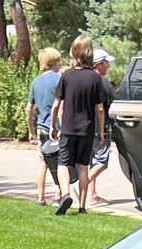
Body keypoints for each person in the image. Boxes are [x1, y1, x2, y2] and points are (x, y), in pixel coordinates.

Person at [49, 34, 112, 215]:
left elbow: (56, 105)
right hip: (87, 129)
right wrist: (100, 131)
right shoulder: (95, 78)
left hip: (68, 128)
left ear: (74, 52)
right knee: (83, 166)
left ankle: (65, 194)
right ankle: (83, 206)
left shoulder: (66, 75)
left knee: (63, 163)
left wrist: (54, 126)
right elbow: (100, 108)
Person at [26, 48, 64, 206]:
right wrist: (61, 126)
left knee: (44, 163)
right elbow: (62, 105)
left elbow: (28, 109)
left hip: (41, 127)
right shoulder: (59, 79)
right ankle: (58, 196)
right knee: (62, 163)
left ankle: (40, 197)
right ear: (53, 62)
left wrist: (31, 132)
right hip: (56, 128)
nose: (61, 64)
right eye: (59, 61)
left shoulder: (36, 82)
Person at [87, 49, 114, 207]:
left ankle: (92, 195)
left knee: (92, 162)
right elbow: (106, 107)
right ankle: (85, 183)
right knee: (101, 162)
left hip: (87, 127)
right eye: (106, 63)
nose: (108, 66)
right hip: (100, 129)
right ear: (99, 64)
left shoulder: (87, 80)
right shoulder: (103, 84)